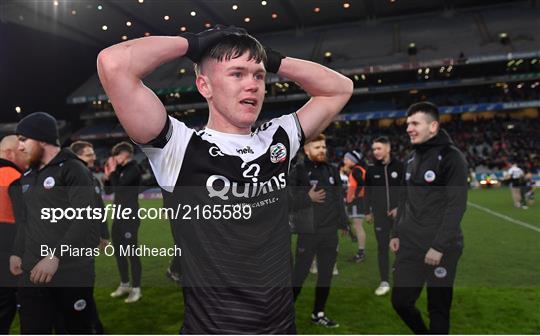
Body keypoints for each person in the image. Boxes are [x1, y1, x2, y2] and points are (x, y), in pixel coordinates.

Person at [97, 25, 353, 333]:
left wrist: (270, 60)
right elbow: (113, 64)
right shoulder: (177, 147)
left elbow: (340, 88)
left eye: (259, 76)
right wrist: (192, 44)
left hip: (281, 327)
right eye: (237, 74)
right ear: (204, 86)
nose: (253, 85)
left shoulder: (278, 139)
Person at [10, 112, 100, 334]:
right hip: (32, 273)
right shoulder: (28, 176)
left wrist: (55, 256)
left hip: (71, 271)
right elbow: (26, 218)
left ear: (42, 139)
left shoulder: (73, 169)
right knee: (32, 329)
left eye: (23, 139)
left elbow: (84, 217)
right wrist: (17, 252)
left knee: (74, 329)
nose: (20, 146)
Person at [390, 102, 468, 334]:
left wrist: (438, 246)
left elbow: (457, 205)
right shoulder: (411, 159)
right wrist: (396, 232)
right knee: (401, 302)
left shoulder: (452, 158)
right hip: (410, 245)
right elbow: (403, 200)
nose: (409, 129)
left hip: (441, 249)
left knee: (438, 308)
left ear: (433, 126)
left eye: (415, 123)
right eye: (407, 124)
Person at [289, 134, 348, 328]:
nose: (322, 150)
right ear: (306, 150)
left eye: (323, 147)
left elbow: (339, 199)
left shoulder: (332, 170)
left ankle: (318, 313)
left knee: (325, 275)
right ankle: (283, 312)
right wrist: (308, 198)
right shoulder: (298, 170)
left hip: (329, 233)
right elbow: (286, 201)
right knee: (299, 274)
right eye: (317, 147)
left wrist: (344, 223)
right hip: (308, 232)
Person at [70, 140, 108, 333]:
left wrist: (103, 234)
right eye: (88, 154)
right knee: (80, 287)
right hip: (75, 242)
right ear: (77, 156)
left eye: (93, 153)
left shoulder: (90, 177)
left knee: (85, 285)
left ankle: (89, 322)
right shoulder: (72, 177)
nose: (93, 157)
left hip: (88, 241)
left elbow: (99, 207)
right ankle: (89, 325)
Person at [102, 141, 143, 303]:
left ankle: (136, 289)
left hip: (130, 217)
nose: (114, 159)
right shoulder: (119, 170)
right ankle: (125, 284)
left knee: (131, 253)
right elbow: (109, 191)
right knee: (119, 252)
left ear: (125, 154)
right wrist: (107, 177)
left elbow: (119, 188)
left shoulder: (134, 168)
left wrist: (112, 173)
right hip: (118, 216)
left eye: (116, 155)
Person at [364, 136, 404, 296]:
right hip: (380, 216)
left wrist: (399, 208)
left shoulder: (400, 167)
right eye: (374, 149)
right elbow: (367, 192)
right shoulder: (371, 169)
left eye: (379, 148)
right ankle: (384, 281)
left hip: (399, 216)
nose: (376, 152)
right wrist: (367, 211)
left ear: (388, 149)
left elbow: (407, 191)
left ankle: (400, 275)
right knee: (382, 248)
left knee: (401, 247)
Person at [0, 135, 26, 334]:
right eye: (21, 150)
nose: (25, 154)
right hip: (9, 250)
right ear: (9, 153)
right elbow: (25, 219)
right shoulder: (13, 177)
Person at [343, 150, 367, 262]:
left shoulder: (357, 170)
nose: (345, 161)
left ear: (352, 160)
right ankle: (360, 249)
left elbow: (362, 185)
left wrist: (354, 196)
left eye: (347, 159)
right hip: (357, 201)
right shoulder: (358, 170)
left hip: (357, 202)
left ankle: (361, 253)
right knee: (356, 226)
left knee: (358, 226)